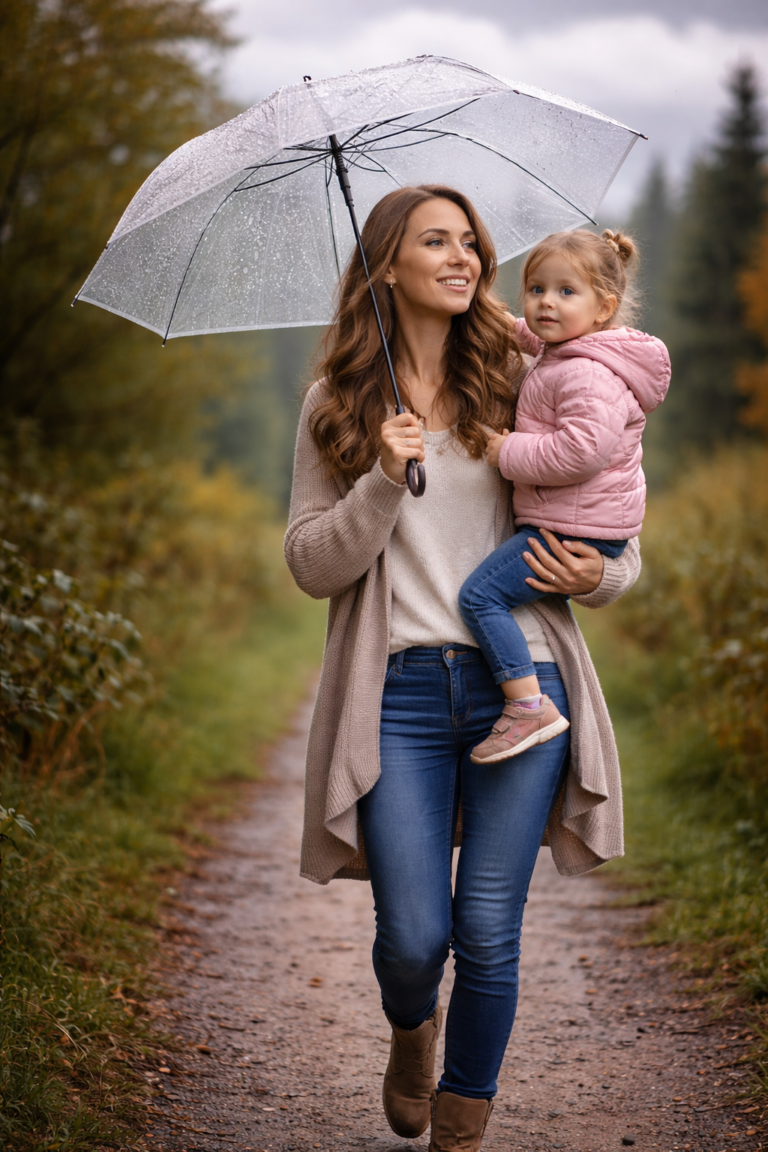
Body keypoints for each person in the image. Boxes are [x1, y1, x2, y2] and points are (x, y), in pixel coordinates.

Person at [284, 185, 641, 1152]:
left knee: (486, 928)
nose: (463, 256)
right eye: (434, 241)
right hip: (396, 693)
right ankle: (412, 1028)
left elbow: (613, 509)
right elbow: (313, 564)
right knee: (412, 939)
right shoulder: (339, 403)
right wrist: (378, 482)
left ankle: (465, 1117)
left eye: (469, 241)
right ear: (386, 266)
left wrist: (601, 572)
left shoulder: (523, 372)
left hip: (520, 683)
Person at [459, 229, 670, 766]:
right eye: (535, 288)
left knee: (481, 597)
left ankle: (526, 705)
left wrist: (507, 451)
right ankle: (526, 701)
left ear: (605, 308)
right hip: (583, 522)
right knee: (488, 594)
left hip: (574, 528)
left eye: (565, 292)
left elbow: (581, 452)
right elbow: (531, 338)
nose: (545, 302)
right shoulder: (571, 350)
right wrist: (489, 313)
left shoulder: (585, 371)